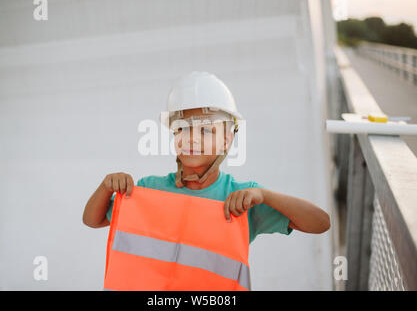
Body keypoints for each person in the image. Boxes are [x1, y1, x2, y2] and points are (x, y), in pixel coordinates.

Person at [82, 71, 330, 244]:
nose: (191, 139)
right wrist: (107, 187)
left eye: (206, 130)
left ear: (227, 140)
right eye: (183, 127)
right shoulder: (150, 190)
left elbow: (320, 223)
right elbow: (92, 220)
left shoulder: (242, 199)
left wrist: (265, 195)